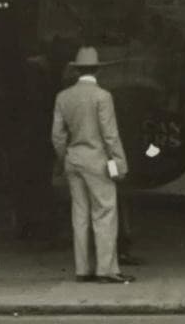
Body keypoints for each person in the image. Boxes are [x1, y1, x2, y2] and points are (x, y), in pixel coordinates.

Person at [51, 46, 131, 284]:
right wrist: (120, 163)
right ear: (97, 70)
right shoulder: (102, 96)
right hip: (97, 161)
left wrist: (64, 157)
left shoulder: (63, 96)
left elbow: (57, 135)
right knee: (105, 212)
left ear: (77, 70)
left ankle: (83, 269)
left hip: (73, 159)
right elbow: (110, 134)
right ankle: (105, 270)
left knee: (80, 215)